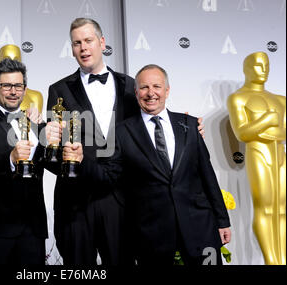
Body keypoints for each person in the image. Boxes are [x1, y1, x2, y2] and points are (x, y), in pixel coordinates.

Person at [45, 17, 205, 265]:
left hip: (121, 199)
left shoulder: (131, 86)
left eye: (88, 40)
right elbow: (55, 149)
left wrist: (187, 130)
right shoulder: (59, 90)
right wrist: (58, 151)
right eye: (77, 43)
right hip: (75, 202)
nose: (83, 48)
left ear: (102, 42)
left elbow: (152, 127)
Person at [66, 64, 231, 265]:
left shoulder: (189, 125)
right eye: (144, 87)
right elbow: (108, 176)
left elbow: (208, 175)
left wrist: (222, 220)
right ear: (136, 92)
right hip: (153, 236)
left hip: (200, 228)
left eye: (157, 86)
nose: (150, 93)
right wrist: (81, 160)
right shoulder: (121, 132)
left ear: (167, 90)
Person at [0, 58, 50, 265]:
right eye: (7, 86)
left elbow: (52, 164)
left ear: (25, 89)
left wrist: (63, 143)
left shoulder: (37, 123)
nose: (13, 91)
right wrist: (11, 159)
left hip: (32, 229)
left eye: (18, 86)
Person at [227, 51, 285, 265]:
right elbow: (242, 133)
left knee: (281, 209)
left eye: (267, 65)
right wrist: (269, 120)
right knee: (265, 207)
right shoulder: (238, 98)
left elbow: (284, 132)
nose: (264, 70)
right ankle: (272, 261)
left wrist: (261, 129)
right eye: (259, 65)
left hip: (280, 155)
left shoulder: (280, 99)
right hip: (258, 153)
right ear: (247, 68)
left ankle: (282, 259)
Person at [0, 44, 43, 113]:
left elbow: (35, 123)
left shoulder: (35, 97)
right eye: (6, 85)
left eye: (16, 60)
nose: (13, 92)